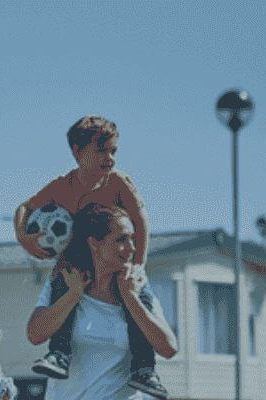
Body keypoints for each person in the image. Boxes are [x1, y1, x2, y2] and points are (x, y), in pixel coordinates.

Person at [12, 115, 165, 398]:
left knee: (137, 300)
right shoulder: (61, 187)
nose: (110, 158)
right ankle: (58, 354)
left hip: (116, 268)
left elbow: (141, 220)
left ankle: (144, 368)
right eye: (102, 150)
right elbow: (24, 207)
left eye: (113, 151)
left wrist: (139, 265)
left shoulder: (119, 183)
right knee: (62, 282)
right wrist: (24, 237)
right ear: (77, 151)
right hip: (76, 265)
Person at [25, 203, 178, 400]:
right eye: (121, 240)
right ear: (94, 243)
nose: (131, 248)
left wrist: (130, 297)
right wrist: (74, 294)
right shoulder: (65, 281)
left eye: (133, 239)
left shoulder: (138, 287)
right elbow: (35, 334)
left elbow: (168, 348)